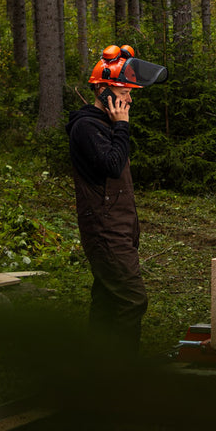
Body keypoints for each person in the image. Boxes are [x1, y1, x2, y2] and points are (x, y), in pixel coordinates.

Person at [65, 44, 167, 355]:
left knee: (108, 298)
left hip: (119, 228)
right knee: (132, 299)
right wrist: (122, 126)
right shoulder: (86, 126)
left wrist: (118, 126)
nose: (130, 100)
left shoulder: (105, 126)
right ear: (105, 90)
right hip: (104, 229)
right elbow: (110, 164)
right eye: (125, 93)